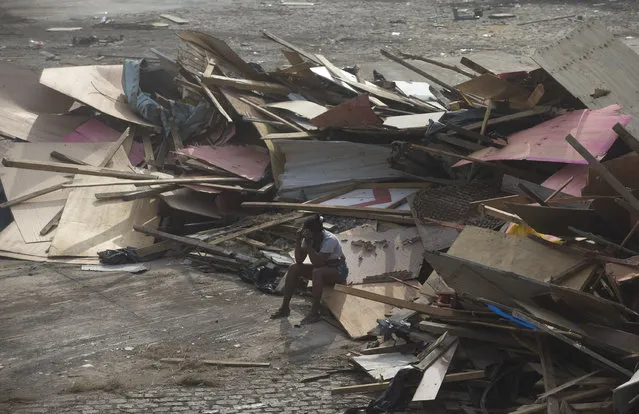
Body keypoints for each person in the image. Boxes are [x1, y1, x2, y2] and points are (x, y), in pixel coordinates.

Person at [270, 214, 348, 324]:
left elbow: (317, 263)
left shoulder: (330, 240)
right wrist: (298, 240)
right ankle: (284, 308)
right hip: (322, 269)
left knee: (317, 272)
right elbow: (299, 260)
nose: (304, 233)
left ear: (316, 233)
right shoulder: (308, 238)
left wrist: (309, 247)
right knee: (293, 268)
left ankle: (314, 312)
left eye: (307, 231)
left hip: (337, 271)